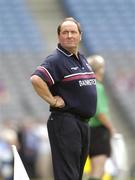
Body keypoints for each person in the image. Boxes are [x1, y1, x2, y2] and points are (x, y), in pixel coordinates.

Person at [30, 17, 97, 180]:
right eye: (65, 32)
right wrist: (52, 101)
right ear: (58, 36)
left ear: (80, 36)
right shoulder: (56, 59)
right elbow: (36, 79)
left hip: (82, 123)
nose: (69, 35)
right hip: (65, 122)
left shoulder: (82, 59)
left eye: (73, 32)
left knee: (77, 174)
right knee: (68, 175)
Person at [87, 55, 116, 180]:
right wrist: (111, 128)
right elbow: (100, 113)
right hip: (99, 131)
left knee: (94, 168)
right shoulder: (97, 87)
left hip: (88, 130)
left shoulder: (86, 86)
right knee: (99, 169)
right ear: (99, 70)